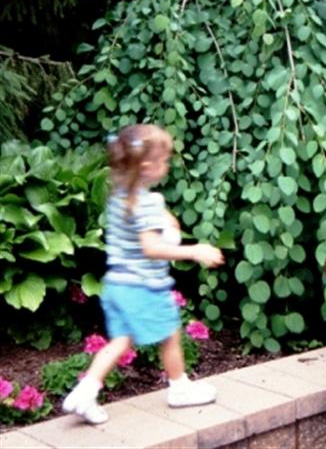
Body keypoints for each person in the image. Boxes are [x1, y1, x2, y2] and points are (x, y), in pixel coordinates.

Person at [63, 124, 224, 424]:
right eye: (164, 161)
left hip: (117, 286)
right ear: (148, 166)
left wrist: (166, 220)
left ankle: (85, 392)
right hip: (143, 287)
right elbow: (151, 247)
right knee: (170, 334)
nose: (166, 166)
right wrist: (194, 250)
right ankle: (179, 389)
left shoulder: (120, 198)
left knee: (121, 341)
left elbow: (147, 230)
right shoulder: (147, 203)